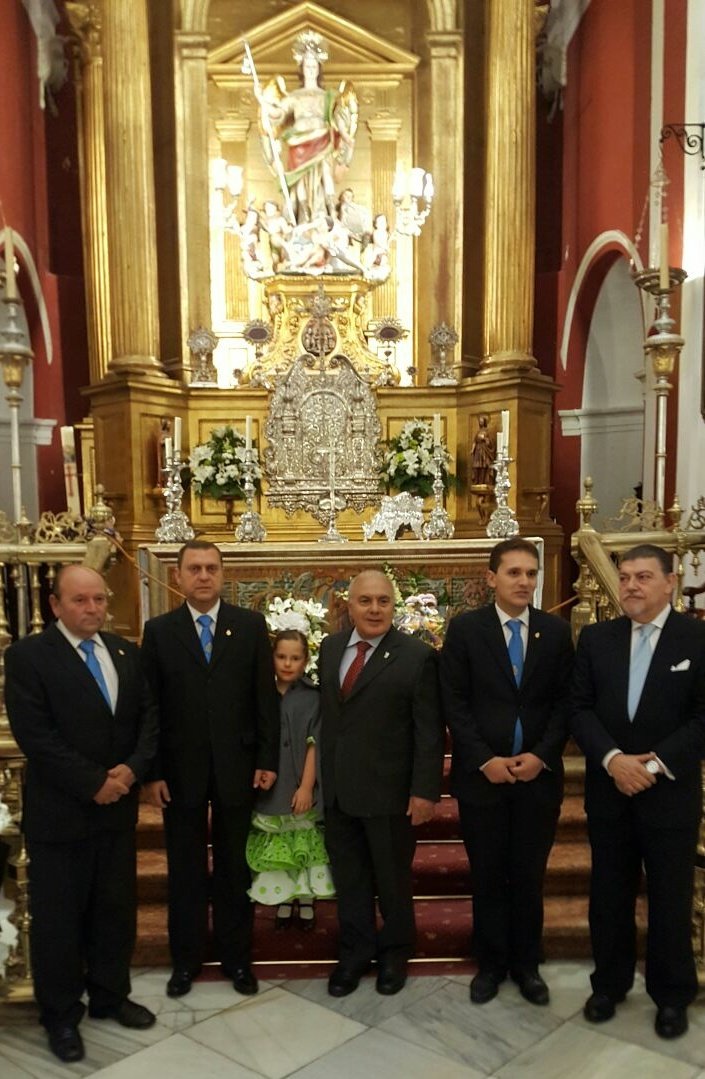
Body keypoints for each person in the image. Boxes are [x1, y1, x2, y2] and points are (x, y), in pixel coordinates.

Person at [4, 565, 159, 1063]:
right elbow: (36, 736)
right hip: (61, 814)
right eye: (80, 601)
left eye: (99, 599)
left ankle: (110, 996)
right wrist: (96, 783)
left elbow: (147, 720)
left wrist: (131, 773)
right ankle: (61, 1016)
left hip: (116, 814)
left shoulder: (123, 653)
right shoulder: (29, 656)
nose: (93, 609)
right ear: (56, 605)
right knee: (59, 921)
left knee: (114, 912)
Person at [572, 543, 705, 1039]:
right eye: (625, 576)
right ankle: (608, 985)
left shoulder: (696, 639)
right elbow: (578, 708)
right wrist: (613, 760)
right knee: (609, 893)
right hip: (611, 790)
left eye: (643, 577)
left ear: (670, 582)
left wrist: (653, 763)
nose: (630, 585)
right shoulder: (597, 639)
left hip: (668, 792)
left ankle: (671, 995)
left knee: (669, 898)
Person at [140, 540, 279, 1000]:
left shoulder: (250, 625)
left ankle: (237, 958)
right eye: (194, 568)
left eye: (211, 568)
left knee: (234, 869)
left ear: (223, 575)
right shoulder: (159, 631)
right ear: (178, 576)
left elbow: (264, 699)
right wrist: (153, 770)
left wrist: (266, 760)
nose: (203, 576)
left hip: (238, 767)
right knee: (185, 869)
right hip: (179, 772)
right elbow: (150, 707)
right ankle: (186, 960)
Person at [440, 537, 574, 1007]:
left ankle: (527, 964)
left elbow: (565, 703)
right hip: (484, 779)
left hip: (539, 777)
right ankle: (491, 963)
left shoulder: (555, 633)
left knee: (528, 874)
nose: (524, 581)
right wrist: (484, 759)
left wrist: (541, 754)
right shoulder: (465, 630)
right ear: (491, 577)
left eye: (531, 574)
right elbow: (454, 702)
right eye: (514, 572)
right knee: (489, 875)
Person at [318, 569, 445, 997]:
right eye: (365, 601)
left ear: (394, 606)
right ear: (348, 605)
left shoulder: (416, 656)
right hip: (339, 792)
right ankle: (354, 954)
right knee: (350, 880)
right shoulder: (331, 649)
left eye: (383, 601)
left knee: (392, 882)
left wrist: (425, 791)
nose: (374, 609)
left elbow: (428, 731)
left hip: (391, 794)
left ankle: (394, 954)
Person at [246, 629, 334, 928]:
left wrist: (307, 786)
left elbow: (314, 744)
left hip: (299, 784)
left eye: (295, 658)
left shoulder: (313, 698)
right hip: (272, 787)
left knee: (303, 845)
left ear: (305, 660)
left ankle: (306, 901)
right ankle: (283, 900)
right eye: (281, 656)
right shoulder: (259, 694)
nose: (287, 663)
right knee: (278, 844)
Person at [257, 32, 357, 223]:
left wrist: (345, 136)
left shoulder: (327, 96)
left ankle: (331, 212)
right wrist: (262, 100)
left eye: (313, 66)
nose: (310, 69)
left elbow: (337, 119)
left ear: (318, 69)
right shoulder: (294, 96)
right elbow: (277, 114)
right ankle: (304, 214)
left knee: (325, 174)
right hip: (299, 142)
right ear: (301, 69)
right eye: (307, 66)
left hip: (322, 139)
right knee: (299, 179)